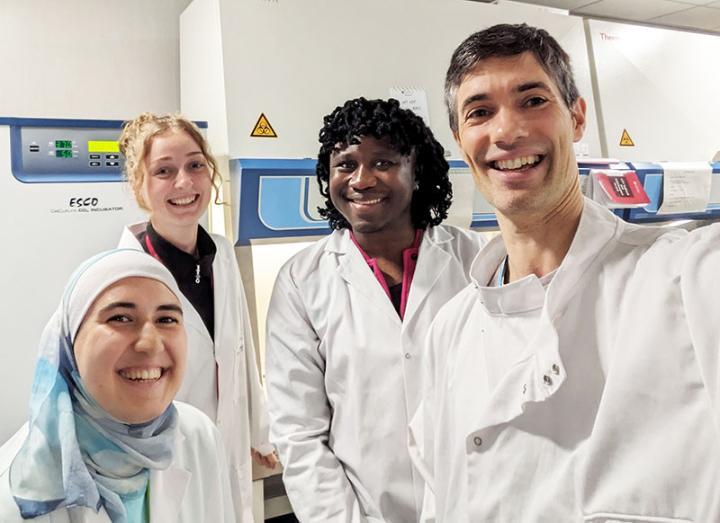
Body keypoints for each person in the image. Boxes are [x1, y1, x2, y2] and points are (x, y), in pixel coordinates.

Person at [410, 23, 720, 521]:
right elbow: (435, 498)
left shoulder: (676, 277)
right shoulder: (449, 330)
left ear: (576, 118)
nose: (506, 132)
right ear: (460, 141)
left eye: (532, 101)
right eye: (480, 112)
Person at [265, 97, 485, 522]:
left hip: (475, 503)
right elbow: (299, 432)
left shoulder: (477, 261)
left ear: (415, 171)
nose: (361, 180)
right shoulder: (302, 280)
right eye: (345, 164)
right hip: (360, 511)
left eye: (382, 162)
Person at [117, 113, 276, 522]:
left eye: (195, 165)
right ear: (140, 186)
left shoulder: (220, 253)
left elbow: (241, 352)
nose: (184, 183)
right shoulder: (125, 275)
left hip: (228, 451)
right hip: (164, 465)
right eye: (164, 171)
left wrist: (260, 433)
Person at [0, 249, 234, 522]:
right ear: (70, 341)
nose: (150, 343)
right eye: (120, 318)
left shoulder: (199, 436)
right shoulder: (14, 498)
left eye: (166, 319)